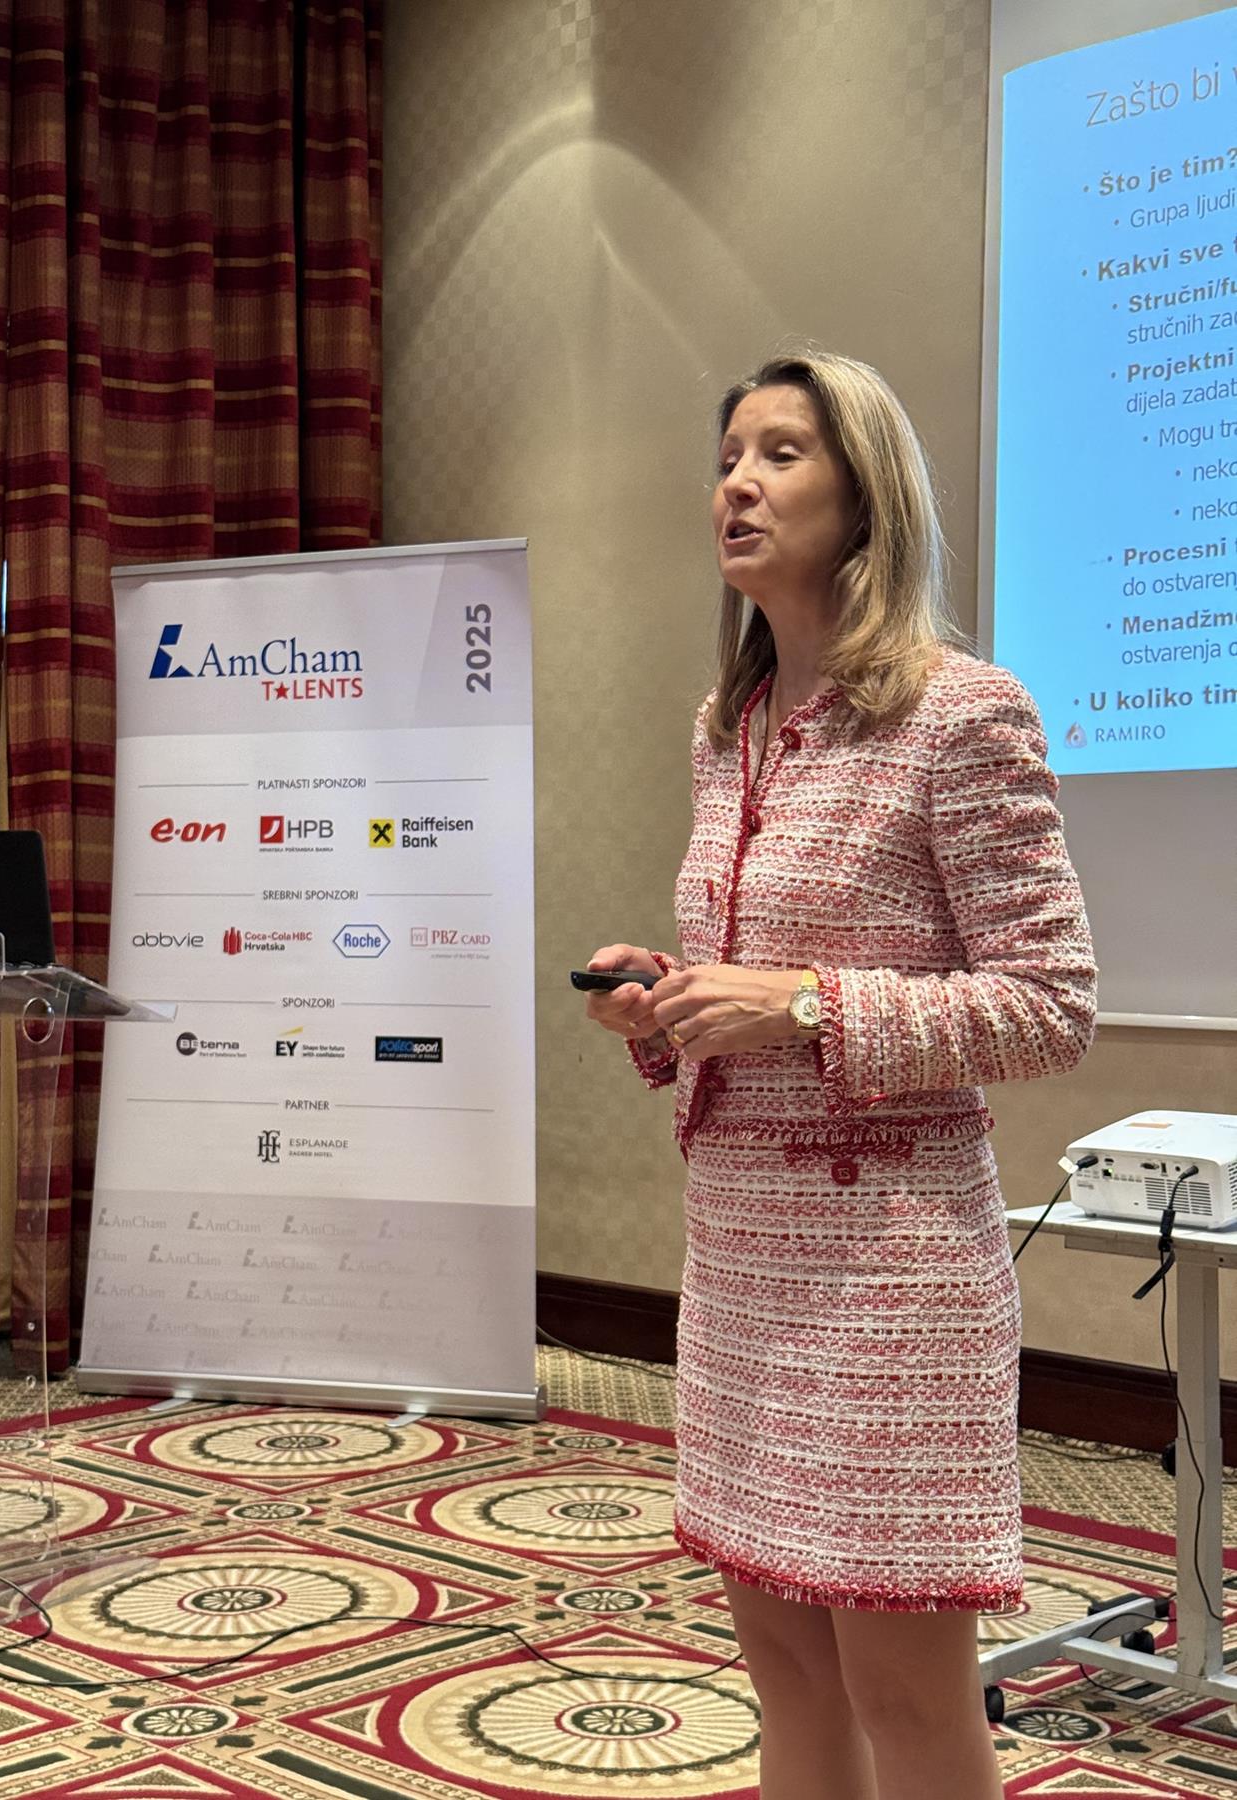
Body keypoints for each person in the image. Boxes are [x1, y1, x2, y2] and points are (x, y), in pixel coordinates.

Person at [581, 350, 1096, 1800]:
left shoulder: (961, 714)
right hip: (743, 1260)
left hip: (891, 1277)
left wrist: (804, 1004)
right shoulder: (726, 728)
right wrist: (668, 1002)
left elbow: (1050, 1008)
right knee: (785, 1666)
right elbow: (750, 992)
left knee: (903, 1691)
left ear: (866, 495)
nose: (736, 485)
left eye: (781, 454)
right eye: (726, 458)